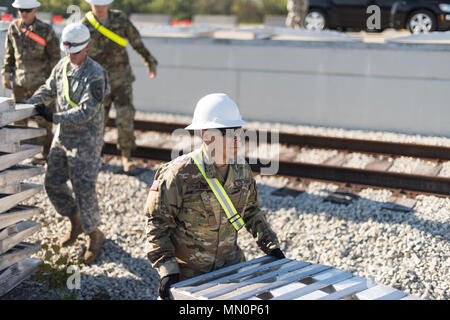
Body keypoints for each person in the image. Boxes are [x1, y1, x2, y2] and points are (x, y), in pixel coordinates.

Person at [145, 93, 285, 300]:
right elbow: (157, 224)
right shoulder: (179, 174)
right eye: (227, 132)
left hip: (231, 271)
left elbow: (251, 212)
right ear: (206, 135)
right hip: (188, 277)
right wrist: (168, 272)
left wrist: (272, 248)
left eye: (238, 130)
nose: (237, 137)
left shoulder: (241, 170)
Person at [26, 23, 110, 264]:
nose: (70, 56)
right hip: (63, 138)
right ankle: (76, 221)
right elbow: (49, 88)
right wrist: (29, 104)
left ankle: (95, 234)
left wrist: (53, 117)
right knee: (51, 182)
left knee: (84, 189)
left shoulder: (96, 74)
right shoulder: (63, 65)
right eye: (67, 51)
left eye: (75, 52)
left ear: (87, 48)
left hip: (86, 141)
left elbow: (87, 111)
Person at [81, 0, 158, 172]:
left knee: (125, 118)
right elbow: (78, 53)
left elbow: (136, 41)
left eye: (102, 3)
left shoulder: (120, 19)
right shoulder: (84, 25)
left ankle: (126, 157)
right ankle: (94, 158)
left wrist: (150, 61)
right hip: (97, 82)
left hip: (121, 80)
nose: (99, 7)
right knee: (97, 121)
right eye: (96, 4)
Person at [1, 0, 60, 160]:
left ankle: (46, 154)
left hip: (41, 85)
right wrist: (6, 73)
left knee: (43, 121)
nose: (23, 13)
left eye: (27, 10)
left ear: (35, 10)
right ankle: (20, 154)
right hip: (20, 84)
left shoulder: (45, 30)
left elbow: (55, 58)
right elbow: (10, 55)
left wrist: (53, 83)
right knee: (19, 121)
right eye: (20, 10)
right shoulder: (14, 28)